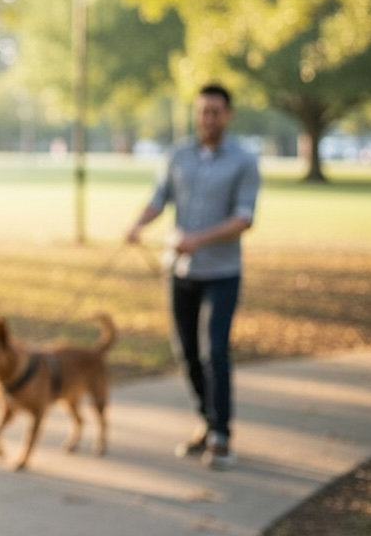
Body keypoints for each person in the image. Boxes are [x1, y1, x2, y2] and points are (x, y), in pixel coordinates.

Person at [125, 83, 260, 470]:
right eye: (203, 111)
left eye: (215, 112)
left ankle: (222, 436)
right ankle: (207, 420)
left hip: (222, 272)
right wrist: (138, 224)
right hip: (180, 272)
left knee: (213, 350)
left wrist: (198, 240)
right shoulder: (177, 155)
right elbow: (159, 198)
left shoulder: (244, 161)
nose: (208, 119)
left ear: (228, 115)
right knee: (186, 354)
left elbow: (244, 218)